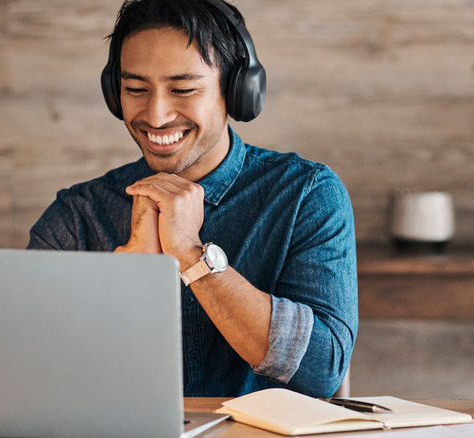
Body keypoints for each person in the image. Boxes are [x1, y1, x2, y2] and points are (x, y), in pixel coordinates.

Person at [27, 0, 357, 398]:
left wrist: (190, 254)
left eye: (182, 89)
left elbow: (321, 370)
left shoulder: (306, 195)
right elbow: (37, 379)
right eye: (135, 89)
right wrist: (129, 288)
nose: (157, 114)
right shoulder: (76, 218)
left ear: (238, 92)